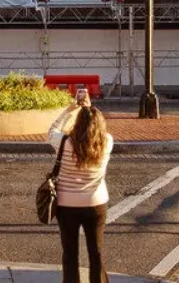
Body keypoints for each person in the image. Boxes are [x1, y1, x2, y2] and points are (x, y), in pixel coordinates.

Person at [45, 89, 113, 283]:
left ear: (77, 122)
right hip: (96, 203)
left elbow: (52, 131)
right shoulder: (107, 142)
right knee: (96, 252)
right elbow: (98, 129)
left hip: (66, 205)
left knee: (70, 253)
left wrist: (70, 111)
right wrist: (90, 110)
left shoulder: (65, 143)